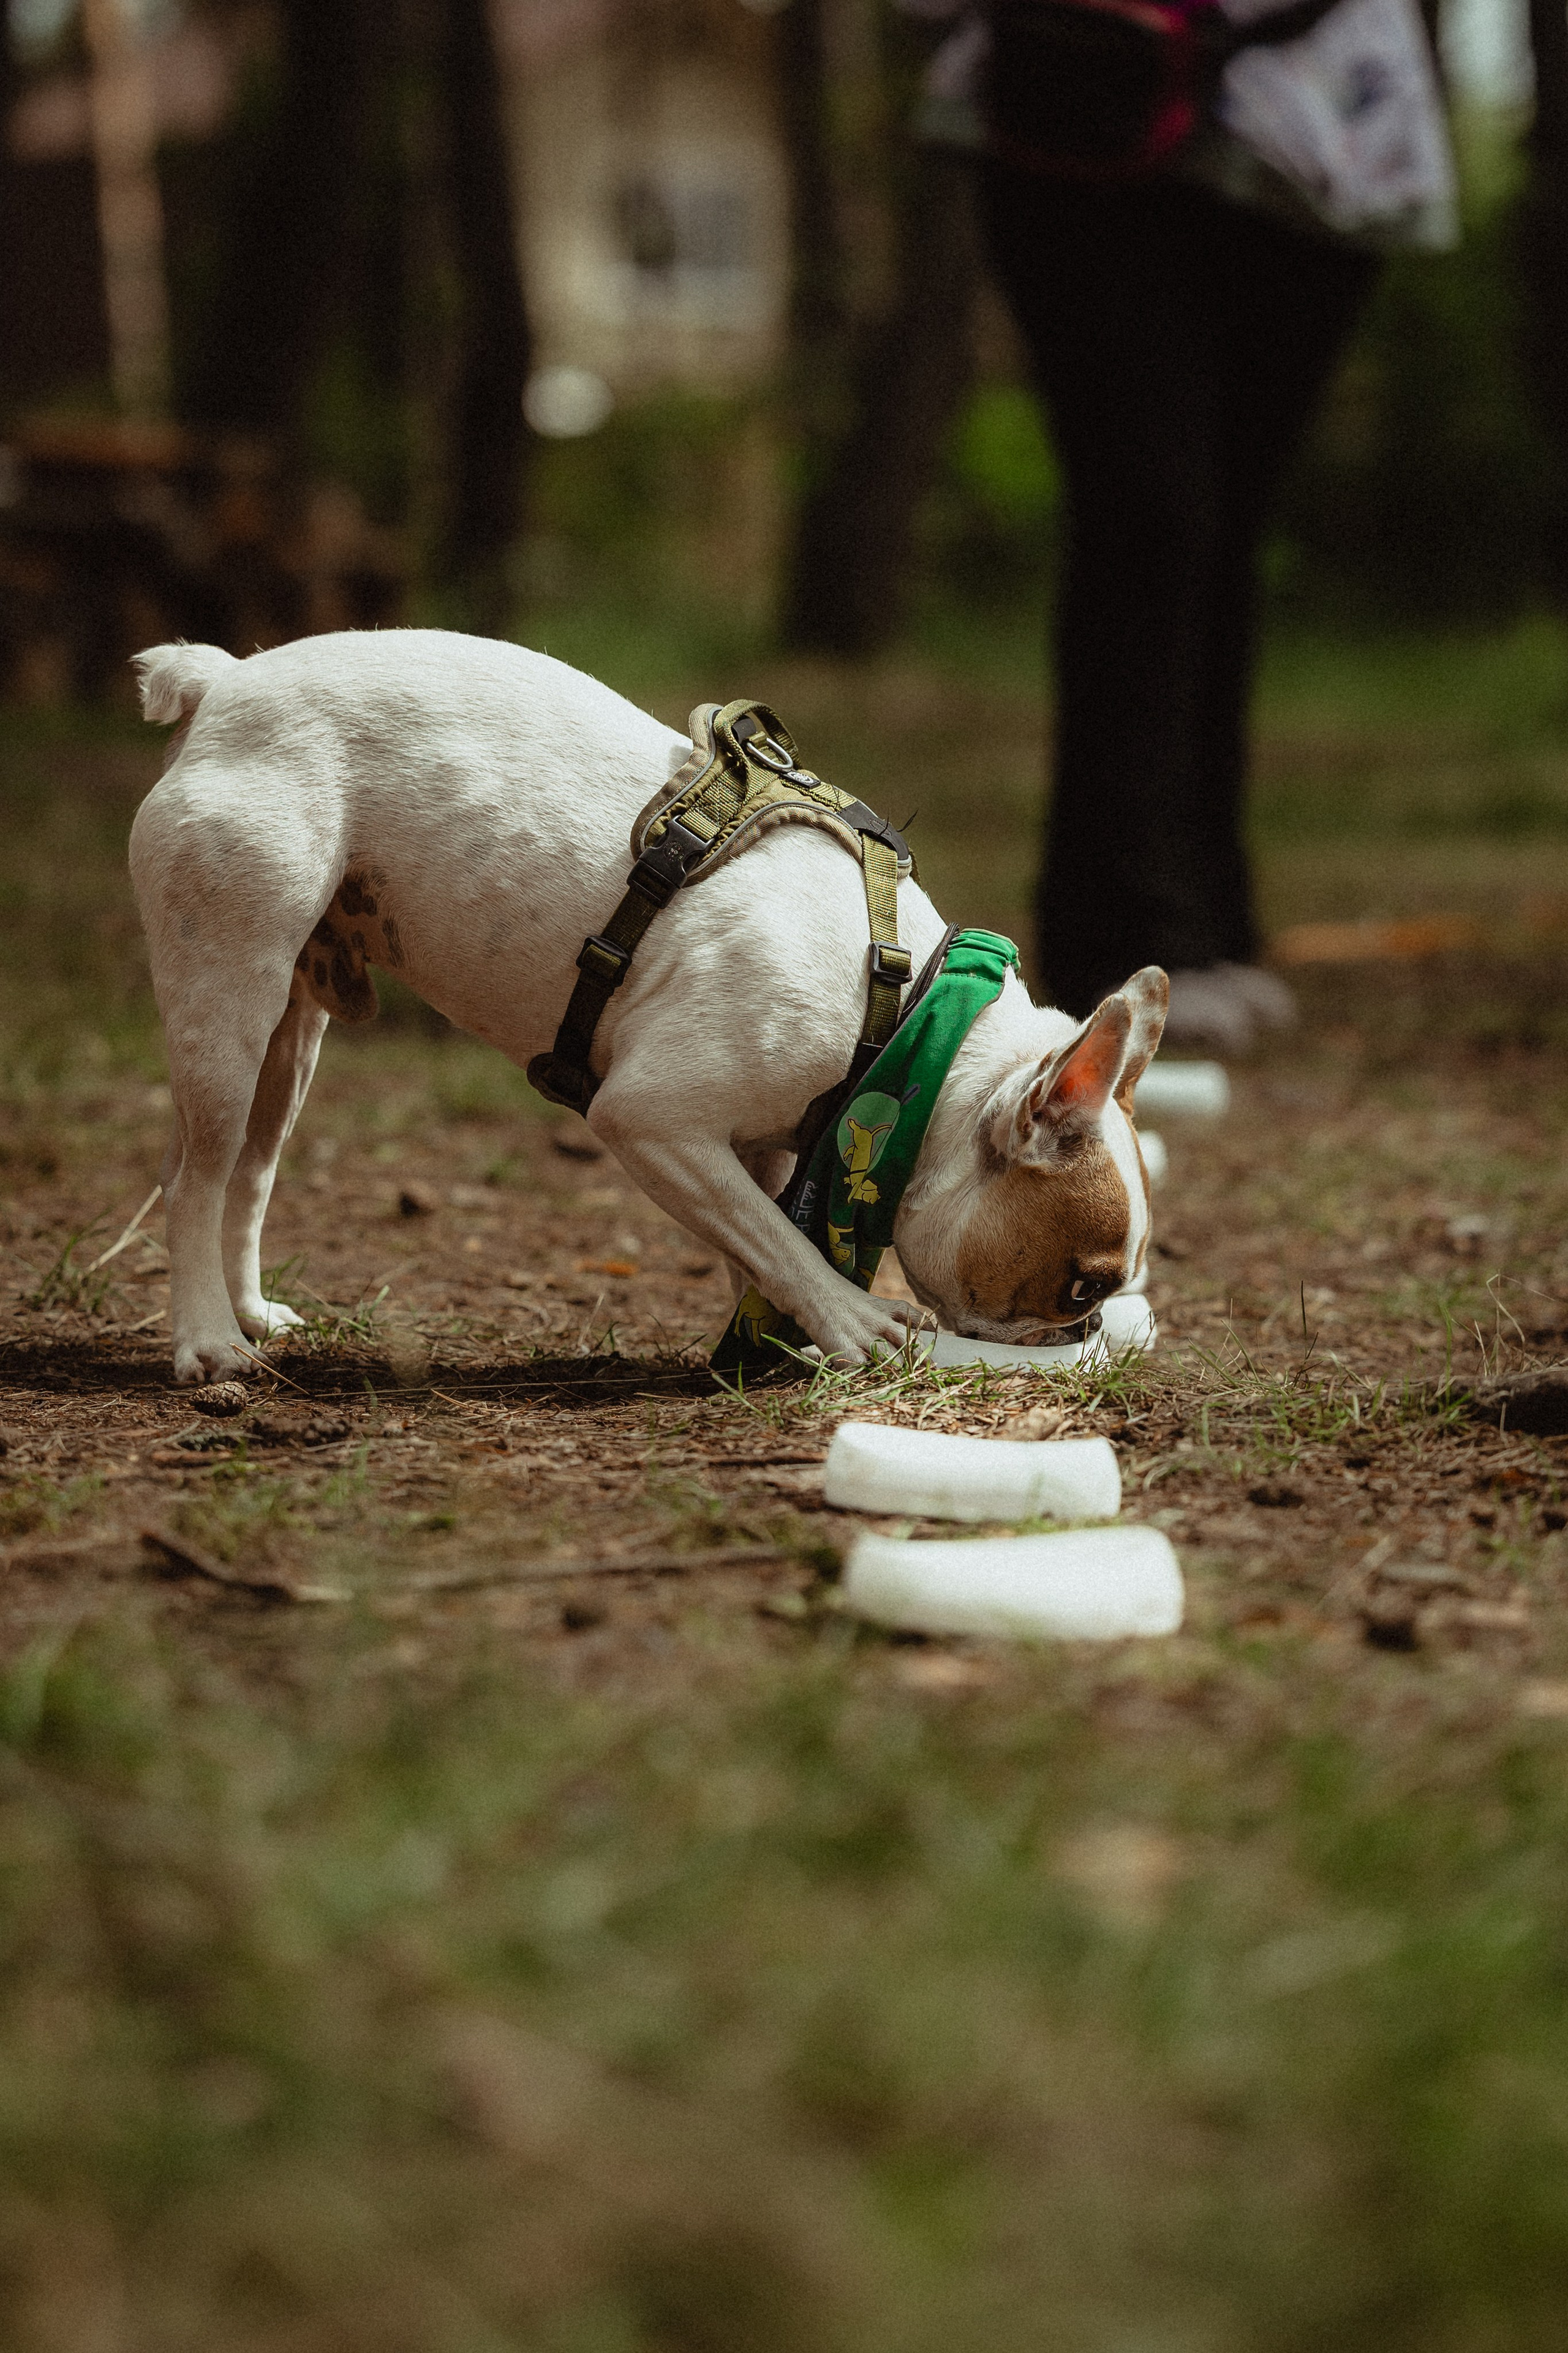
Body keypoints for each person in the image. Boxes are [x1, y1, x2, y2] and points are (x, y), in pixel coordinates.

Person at [911, 0, 1457, 1050]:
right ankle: (1121, 938)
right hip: (1073, 96)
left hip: (1314, 135)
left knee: (1218, 534)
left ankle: (1207, 921)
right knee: (1149, 519)